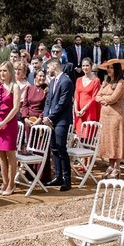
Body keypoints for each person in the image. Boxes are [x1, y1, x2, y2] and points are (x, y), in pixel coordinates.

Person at [0, 62, 21, 196]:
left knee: (10, 154)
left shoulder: (15, 86)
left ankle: (11, 184)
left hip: (9, 124)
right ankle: (4, 182)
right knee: (1, 155)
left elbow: (15, 108)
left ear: (10, 72)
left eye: (5, 71)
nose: (2, 73)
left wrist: (4, 122)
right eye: (0, 70)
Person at [43, 59, 74, 191]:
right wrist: (45, 116)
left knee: (61, 148)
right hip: (51, 120)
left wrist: (50, 116)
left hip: (61, 120)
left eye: (48, 67)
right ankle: (58, 176)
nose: (47, 70)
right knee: (54, 148)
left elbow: (63, 103)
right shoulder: (52, 82)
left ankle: (67, 179)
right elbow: (48, 100)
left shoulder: (66, 81)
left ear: (54, 66)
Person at [96, 59, 124, 178]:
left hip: (117, 116)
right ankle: (110, 165)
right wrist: (105, 98)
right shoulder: (106, 82)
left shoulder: (121, 83)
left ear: (116, 69)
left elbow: (113, 99)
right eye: (108, 68)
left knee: (116, 140)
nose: (109, 70)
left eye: (111, 68)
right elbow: (97, 96)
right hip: (105, 117)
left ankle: (117, 167)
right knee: (109, 141)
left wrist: (104, 99)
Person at [73, 58, 101, 136]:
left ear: (91, 66)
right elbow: (76, 96)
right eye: (83, 66)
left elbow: (94, 98)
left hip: (90, 111)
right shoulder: (78, 80)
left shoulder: (96, 80)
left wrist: (83, 109)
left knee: (88, 136)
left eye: (87, 65)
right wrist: (76, 110)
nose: (85, 67)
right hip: (79, 112)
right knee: (79, 135)